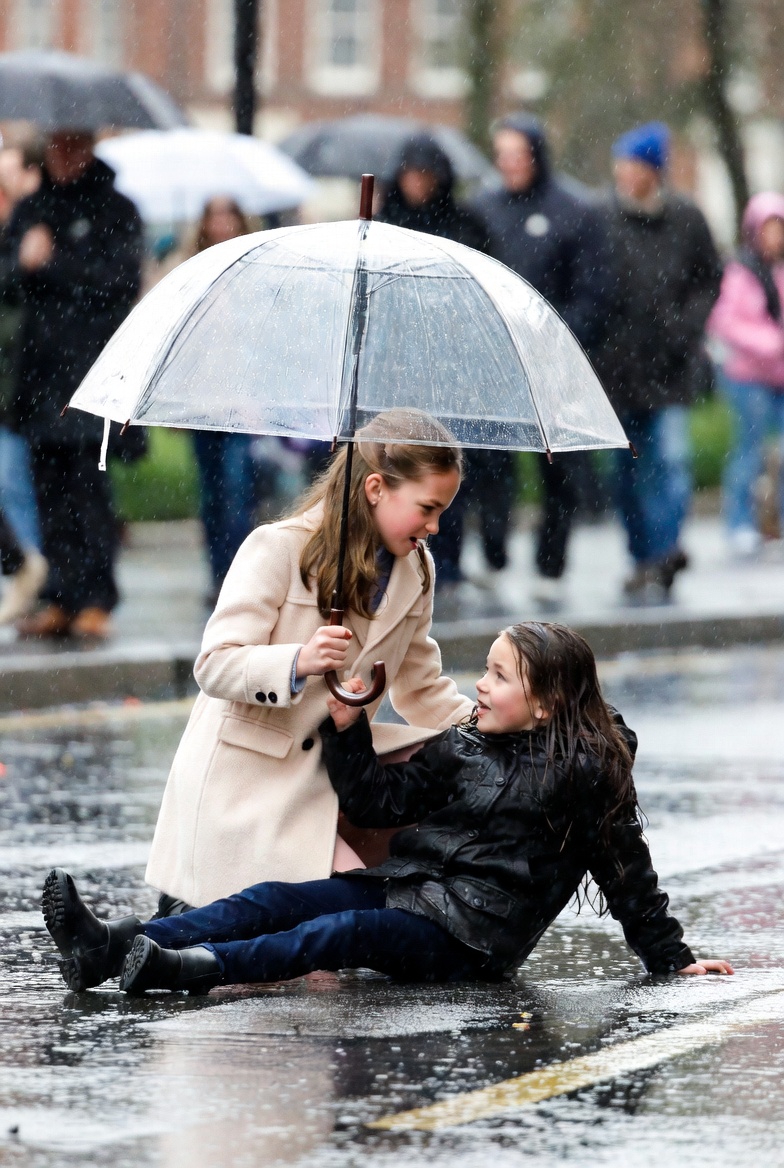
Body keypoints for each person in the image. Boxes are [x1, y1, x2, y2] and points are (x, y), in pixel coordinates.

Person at [41, 620, 733, 993]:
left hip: (469, 938)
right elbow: (377, 803)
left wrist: (671, 960)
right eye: (484, 670)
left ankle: (185, 968)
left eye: (498, 676)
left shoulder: (587, 775)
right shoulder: (465, 745)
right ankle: (110, 945)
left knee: (339, 933)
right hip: (408, 891)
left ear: (547, 702)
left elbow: (629, 878)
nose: (478, 687)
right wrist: (349, 726)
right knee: (277, 898)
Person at [142, 409, 474, 918]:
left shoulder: (417, 570)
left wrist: (498, 733)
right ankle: (132, 935)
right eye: (427, 508)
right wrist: (298, 660)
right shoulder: (277, 548)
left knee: (330, 939)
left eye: (441, 512)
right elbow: (214, 664)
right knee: (285, 945)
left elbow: (421, 687)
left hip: (328, 787)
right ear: (376, 489)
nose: (433, 527)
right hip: (247, 785)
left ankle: (160, 930)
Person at [458, 114, 610, 605]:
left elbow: (592, 293)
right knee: (487, 464)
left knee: (556, 467)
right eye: (500, 154)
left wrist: (551, 335)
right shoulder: (481, 209)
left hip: (551, 361)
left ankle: (551, 562)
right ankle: (495, 553)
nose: (508, 164)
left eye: (516, 153)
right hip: (492, 359)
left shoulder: (574, 212)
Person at [0, 130, 143, 640]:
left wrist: (52, 264)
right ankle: (60, 594)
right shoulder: (33, 207)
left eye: (73, 146)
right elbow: (8, 278)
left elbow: (119, 281)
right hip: (39, 375)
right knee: (49, 492)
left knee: (88, 491)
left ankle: (96, 597)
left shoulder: (116, 209)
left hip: (91, 373)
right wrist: (24, 261)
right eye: (57, 146)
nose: (64, 157)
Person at [593, 122, 722, 603]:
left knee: (669, 460)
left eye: (633, 166)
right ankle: (642, 556)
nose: (624, 174)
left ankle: (666, 551)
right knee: (623, 471)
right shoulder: (601, 217)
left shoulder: (687, 219)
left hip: (670, 368)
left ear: (653, 171)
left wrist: (684, 326)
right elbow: (586, 281)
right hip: (615, 371)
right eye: (620, 165)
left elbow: (710, 279)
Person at [376, 134, 492, 592]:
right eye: (410, 174)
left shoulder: (465, 226)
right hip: (396, 367)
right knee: (399, 467)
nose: (417, 184)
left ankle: (447, 564)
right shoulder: (384, 226)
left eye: (425, 175)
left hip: (451, 371)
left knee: (445, 468)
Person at [188, 197, 258, 604]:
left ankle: (238, 577)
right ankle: (218, 573)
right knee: (212, 496)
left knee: (235, 491)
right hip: (204, 406)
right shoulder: (194, 271)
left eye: (228, 213)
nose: (220, 222)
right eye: (212, 213)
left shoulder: (255, 273)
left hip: (241, 406)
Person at [707, 192, 784, 558]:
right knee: (748, 451)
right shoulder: (741, 271)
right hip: (747, 376)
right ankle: (739, 522)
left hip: (780, 376)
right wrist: (769, 342)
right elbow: (725, 320)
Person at [0, 141, 48, 625]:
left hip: (22, 385)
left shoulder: (32, 228)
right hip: (14, 382)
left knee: (17, 485)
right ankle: (26, 569)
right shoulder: (15, 234)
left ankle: (30, 573)